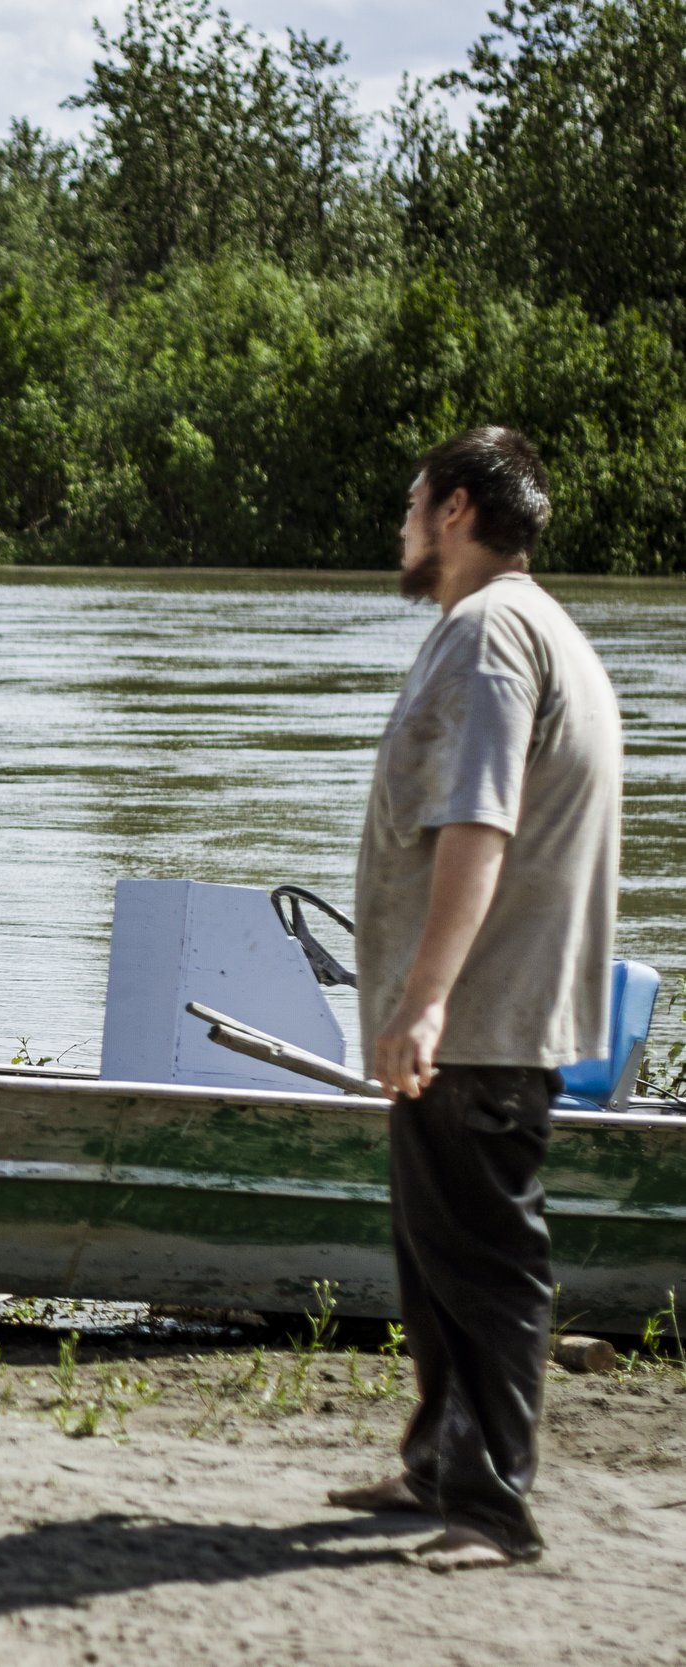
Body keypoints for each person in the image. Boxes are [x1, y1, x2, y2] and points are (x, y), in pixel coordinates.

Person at [327, 426, 622, 1570]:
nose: (401, 527)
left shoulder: (491, 630)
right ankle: (436, 1465)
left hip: (482, 1011)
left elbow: (478, 820)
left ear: (453, 509)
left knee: (487, 1254)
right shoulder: (538, 624)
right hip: (496, 1008)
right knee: (437, 1245)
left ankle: (491, 1504)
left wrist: (425, 999)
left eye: (411, 503)